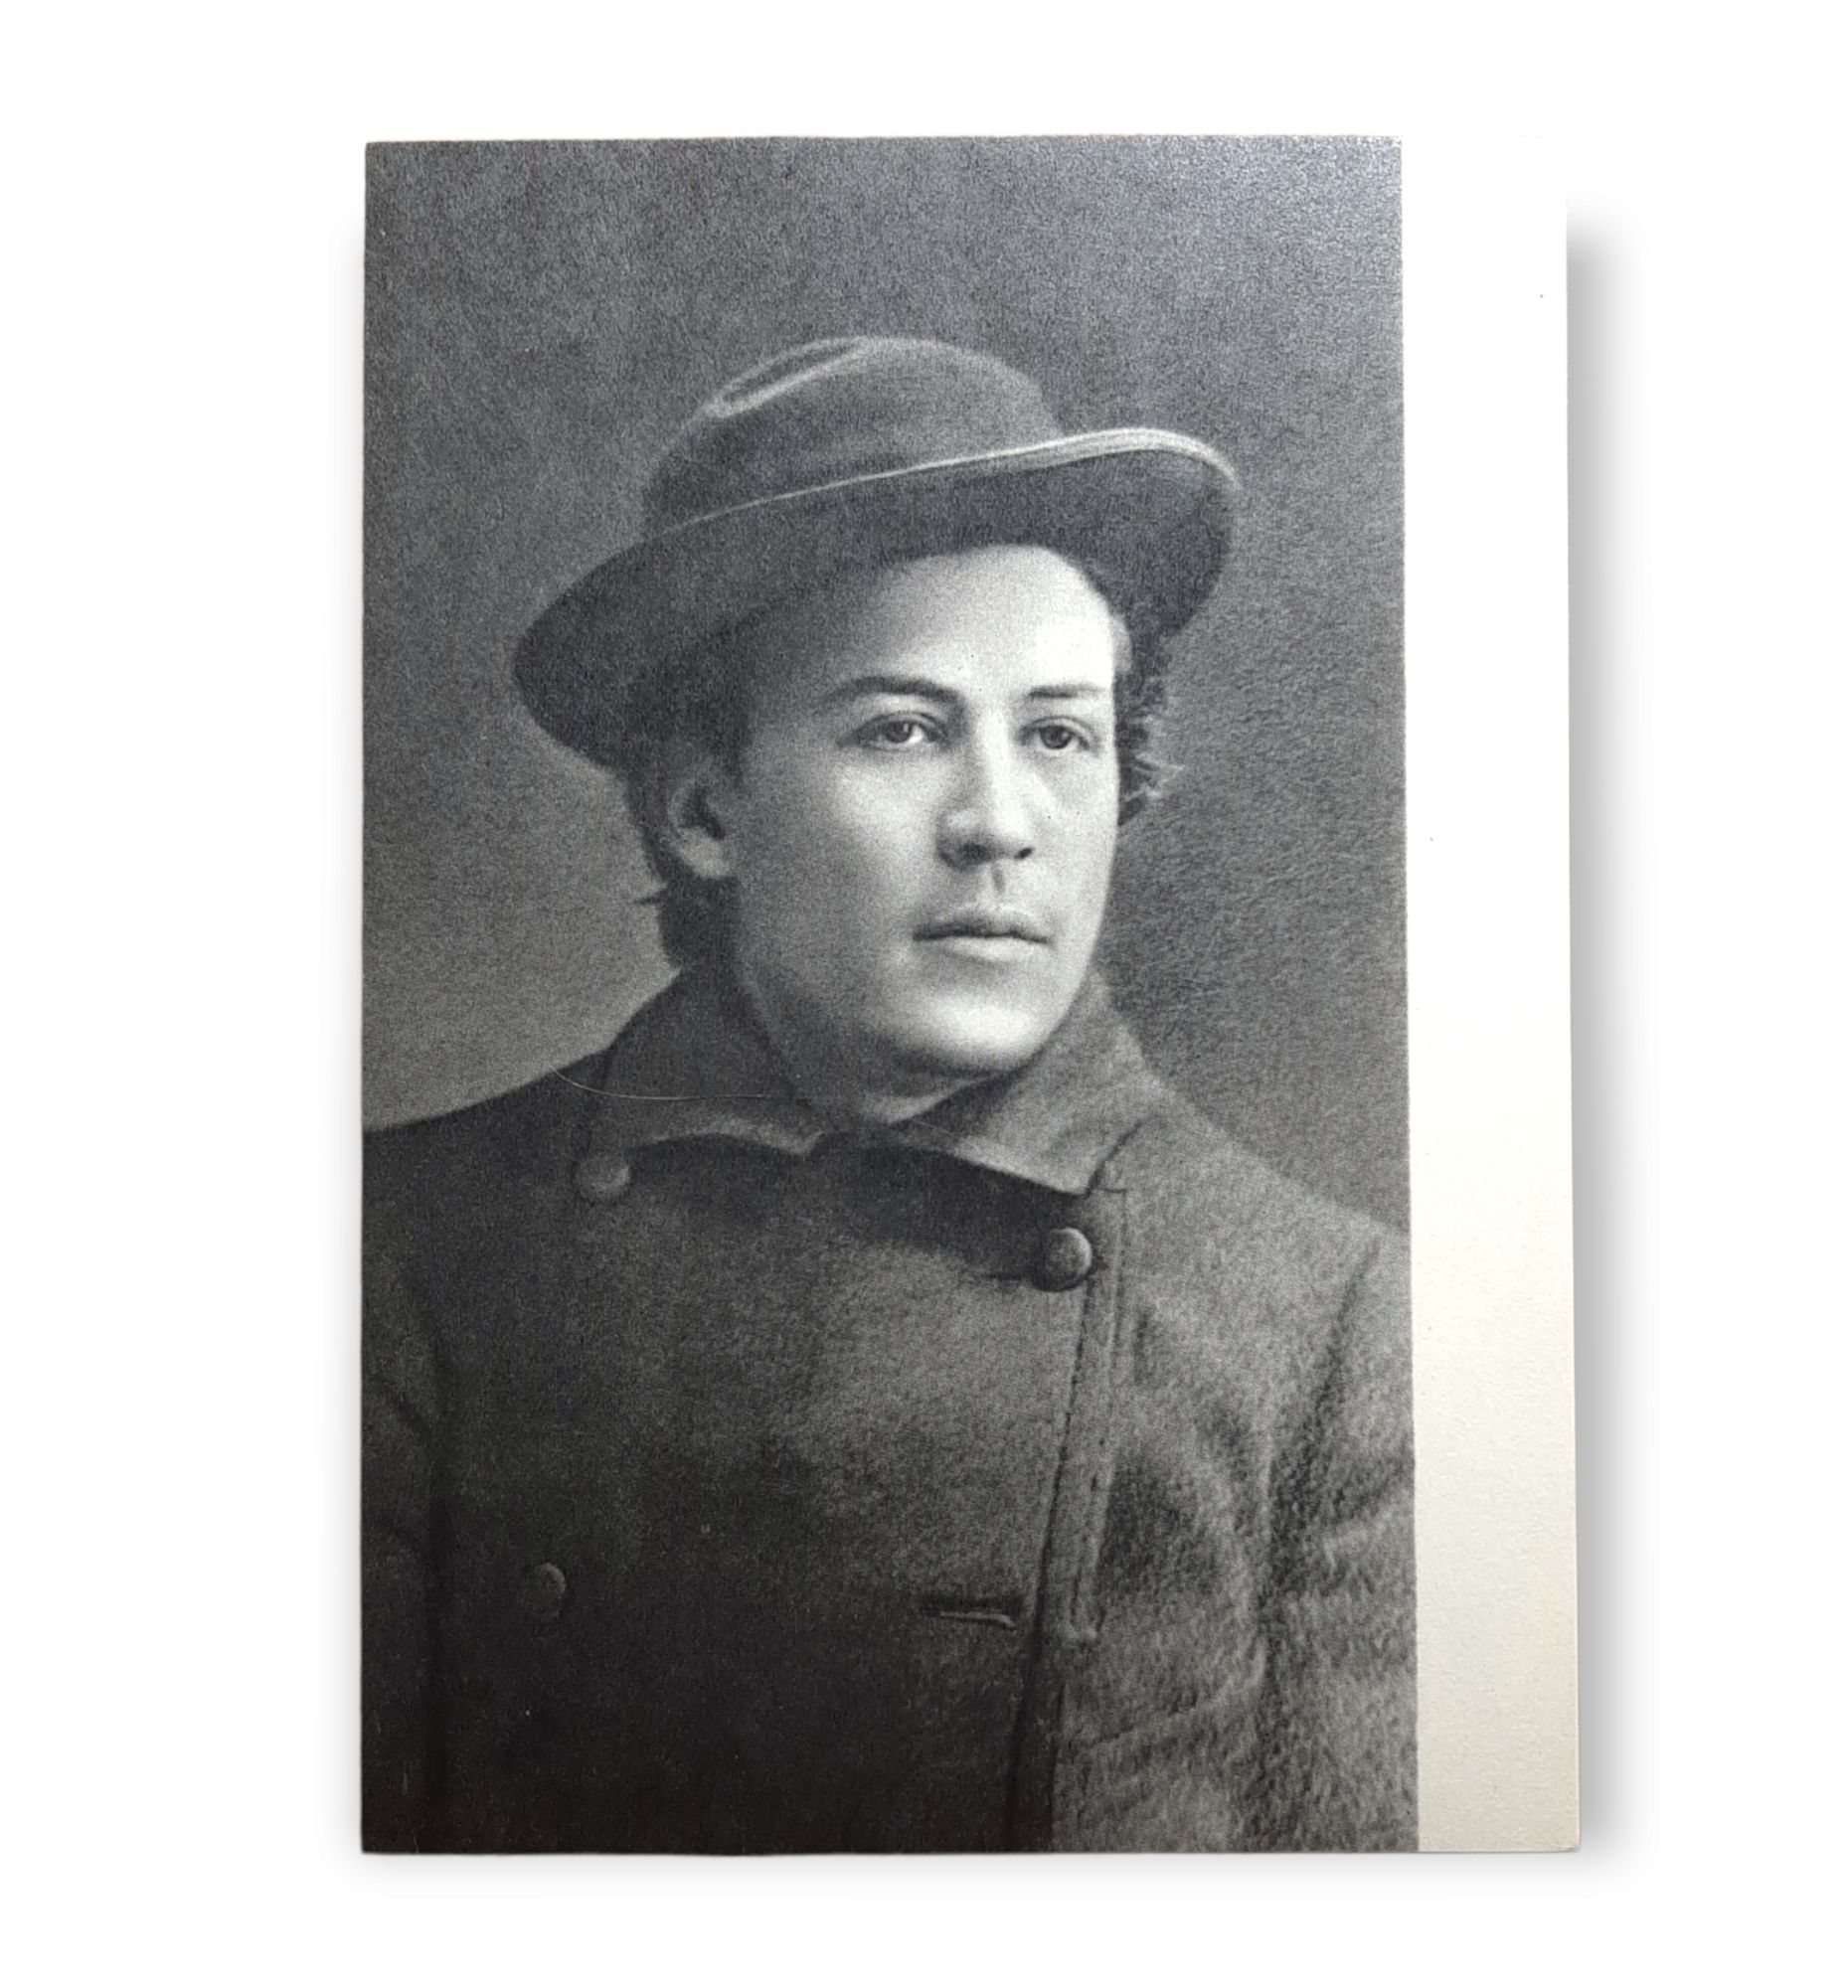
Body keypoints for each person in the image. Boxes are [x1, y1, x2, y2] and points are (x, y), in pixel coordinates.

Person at [363, 335, 1414, 1853]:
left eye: (1059, 735)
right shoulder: (399, 1257)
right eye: (903, 729)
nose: (1000, 823)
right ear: (706, 808)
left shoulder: (1340, 1329)